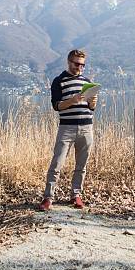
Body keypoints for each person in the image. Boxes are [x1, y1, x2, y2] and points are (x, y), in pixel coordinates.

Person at [39, 49, 98, 211]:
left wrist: (93, 102)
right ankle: (48, 198)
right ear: (69, 62)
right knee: (57, 163)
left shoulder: (86, 82)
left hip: (87, 128)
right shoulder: (59, 81)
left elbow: (91, 108)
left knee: (82, 165)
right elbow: (56, 106)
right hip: (67, 128)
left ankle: (76, 195)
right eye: (77, 64)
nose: (80, 67)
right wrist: (72, 100)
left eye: (83, 65)